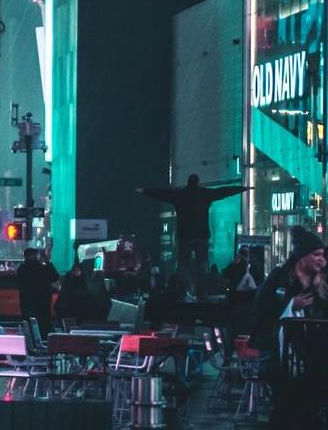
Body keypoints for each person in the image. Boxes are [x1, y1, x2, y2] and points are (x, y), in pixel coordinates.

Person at [250, 227, 328, 429]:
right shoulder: (280, 277)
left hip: (314, 355)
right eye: (316, 255)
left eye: (323, 255)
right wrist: (291, 305)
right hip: (283, 353)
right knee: (287, 405)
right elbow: (261, 306)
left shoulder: (321, 282)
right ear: (302, 256)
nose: (322, 260)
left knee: (312, 404)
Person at [138, 175, 248, 290]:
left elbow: (161, 194)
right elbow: (223, 192)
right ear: (198, 182)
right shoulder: (204, 194)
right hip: (201, 235)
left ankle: (180, 291)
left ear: (188, 182)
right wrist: (243, 189)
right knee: (202, 265)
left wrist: (145, 191)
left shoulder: (180, 195)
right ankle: (202, 292)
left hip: (185, 236)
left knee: (183, 265)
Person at [17, 247, 59, 338]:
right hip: (41, 303)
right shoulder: (41, 269)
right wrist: (47, 261)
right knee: (42, 327)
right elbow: (55, 277)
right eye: (35, 255)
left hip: (28, 303)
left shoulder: (22, 269)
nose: (37, 257)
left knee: (30, 327)